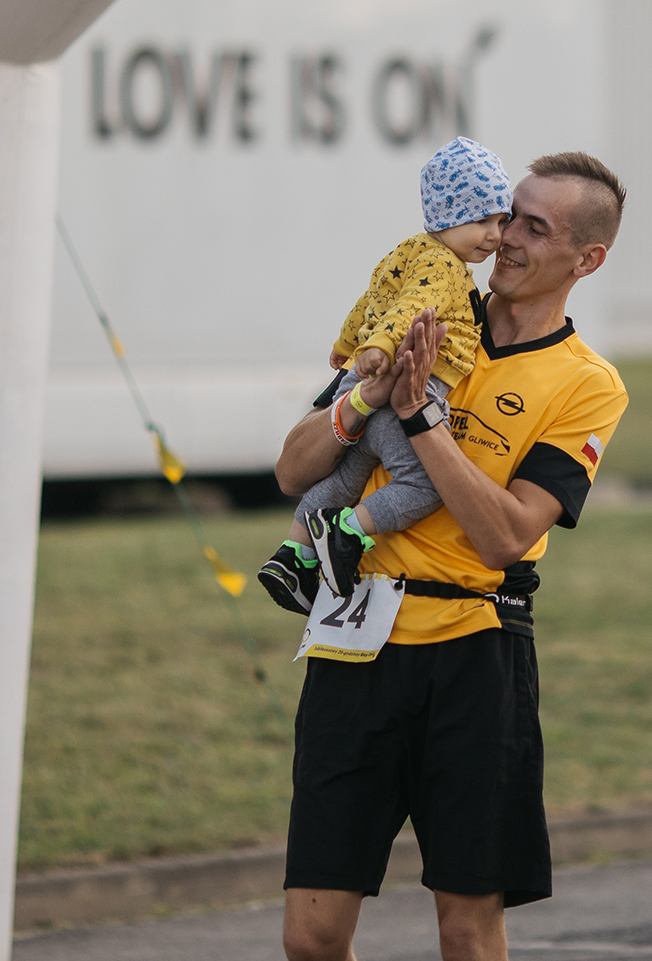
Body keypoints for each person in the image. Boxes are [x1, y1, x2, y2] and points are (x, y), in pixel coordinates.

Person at [275, 152, 629, 961]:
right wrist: (365, 397)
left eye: (532, 228)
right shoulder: (423, 311)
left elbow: (507, 535)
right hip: (354, 644)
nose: (504, 237)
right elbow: (293, 471)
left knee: (466, 933)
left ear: (587, 260)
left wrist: (420, 421)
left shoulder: (587, 383)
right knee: (310, 938)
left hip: (474, 654)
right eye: (504, 215)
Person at [258, 136, 510, 612]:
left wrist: (347, 345)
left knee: (346, 476)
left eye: (501, 221)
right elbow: (409, 310)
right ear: (446, 215)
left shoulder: (406, 251)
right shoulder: (445, 269)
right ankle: (347, 532)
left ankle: (294, 553)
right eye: (481, 221)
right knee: (427, 484)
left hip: (362, 385)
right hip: (409, 385)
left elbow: (370, 299)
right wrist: (378, 347)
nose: (495, 235)